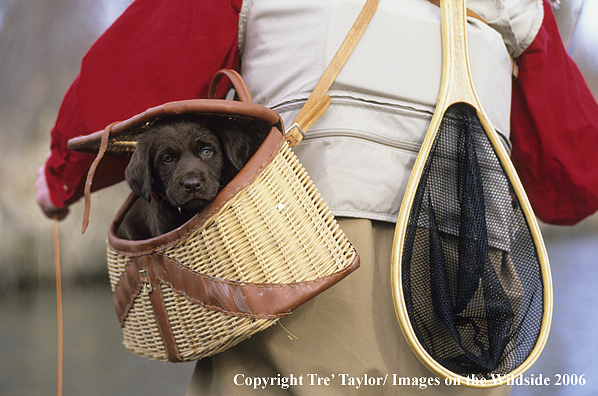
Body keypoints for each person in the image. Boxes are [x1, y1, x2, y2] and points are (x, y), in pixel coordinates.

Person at [36, 0, 598, 395]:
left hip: (302, 249)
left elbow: (148, 61)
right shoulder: (530, 11)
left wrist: (61, 173)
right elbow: (576, 181)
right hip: (472, 269)